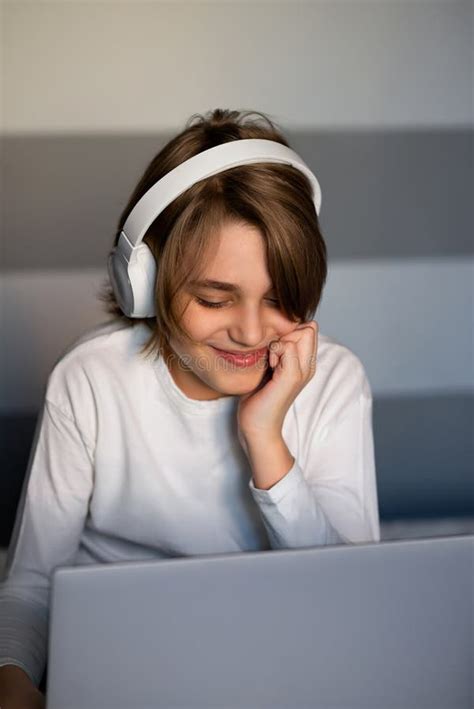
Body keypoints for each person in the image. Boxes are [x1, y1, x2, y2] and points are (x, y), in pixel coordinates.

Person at [0, 108, 380, 706]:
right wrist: (15, 683)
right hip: (118, 666)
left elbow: (353, 599)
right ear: (144, 282)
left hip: (271, 670)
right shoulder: (90, 378)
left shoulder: (335, 381)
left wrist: (265, 437)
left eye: (280, 299)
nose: (252, 333)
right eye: (214, 298)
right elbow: (32, 581)